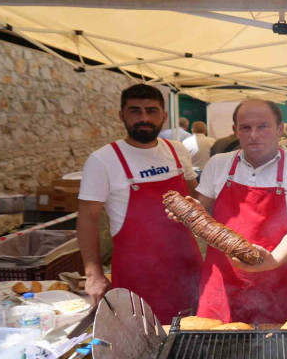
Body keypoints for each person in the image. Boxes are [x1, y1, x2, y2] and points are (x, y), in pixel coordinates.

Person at [186, 99, 287, 324]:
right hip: (222, 280)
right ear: (235, 131)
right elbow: (202, 208)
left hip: (277, 280)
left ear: (280, 129)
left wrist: (272, 261)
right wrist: (192, 212)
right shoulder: (218, 164)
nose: (254, 135)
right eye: (246, 128)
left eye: (263, 126)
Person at [77, 84, 203, 325]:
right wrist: (93, 274)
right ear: (121, 115)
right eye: (135, 111)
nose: (144, 118)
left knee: (191, 333)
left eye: (151, 111)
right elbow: (87, 218)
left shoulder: (178, 152)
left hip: (187, 266)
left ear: (163, 117)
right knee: (143, 338)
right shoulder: (102, 160)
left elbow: (197, 198)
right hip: (138, 274)